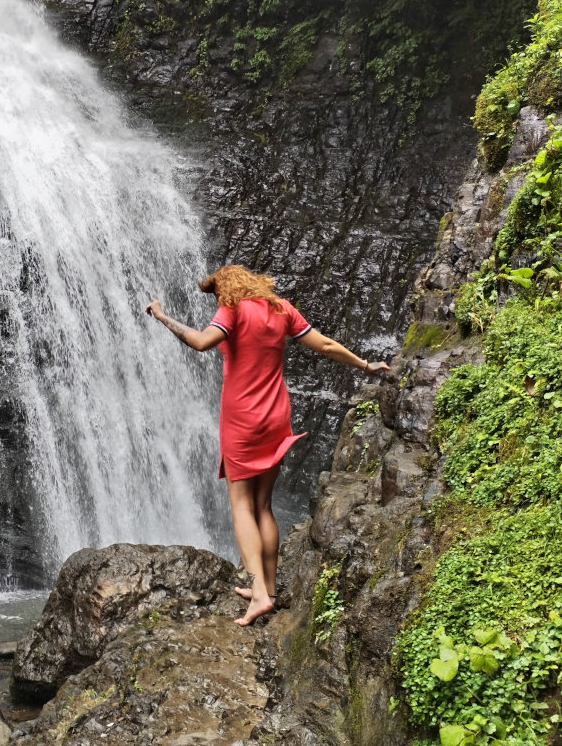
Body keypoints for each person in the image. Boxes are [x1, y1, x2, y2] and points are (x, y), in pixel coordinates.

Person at [146, 265, 390, 626]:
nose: (218, 300)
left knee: (241, 504)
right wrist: (364, 364)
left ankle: (258, 592)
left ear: (226, 288)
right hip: (276, 416)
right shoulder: (281, 309)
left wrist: (163, 316)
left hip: (242, 418)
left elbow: (200, 342)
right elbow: (324, 344)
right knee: (263, 505)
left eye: (217, 293)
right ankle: (270, 590)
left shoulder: (233, 309)